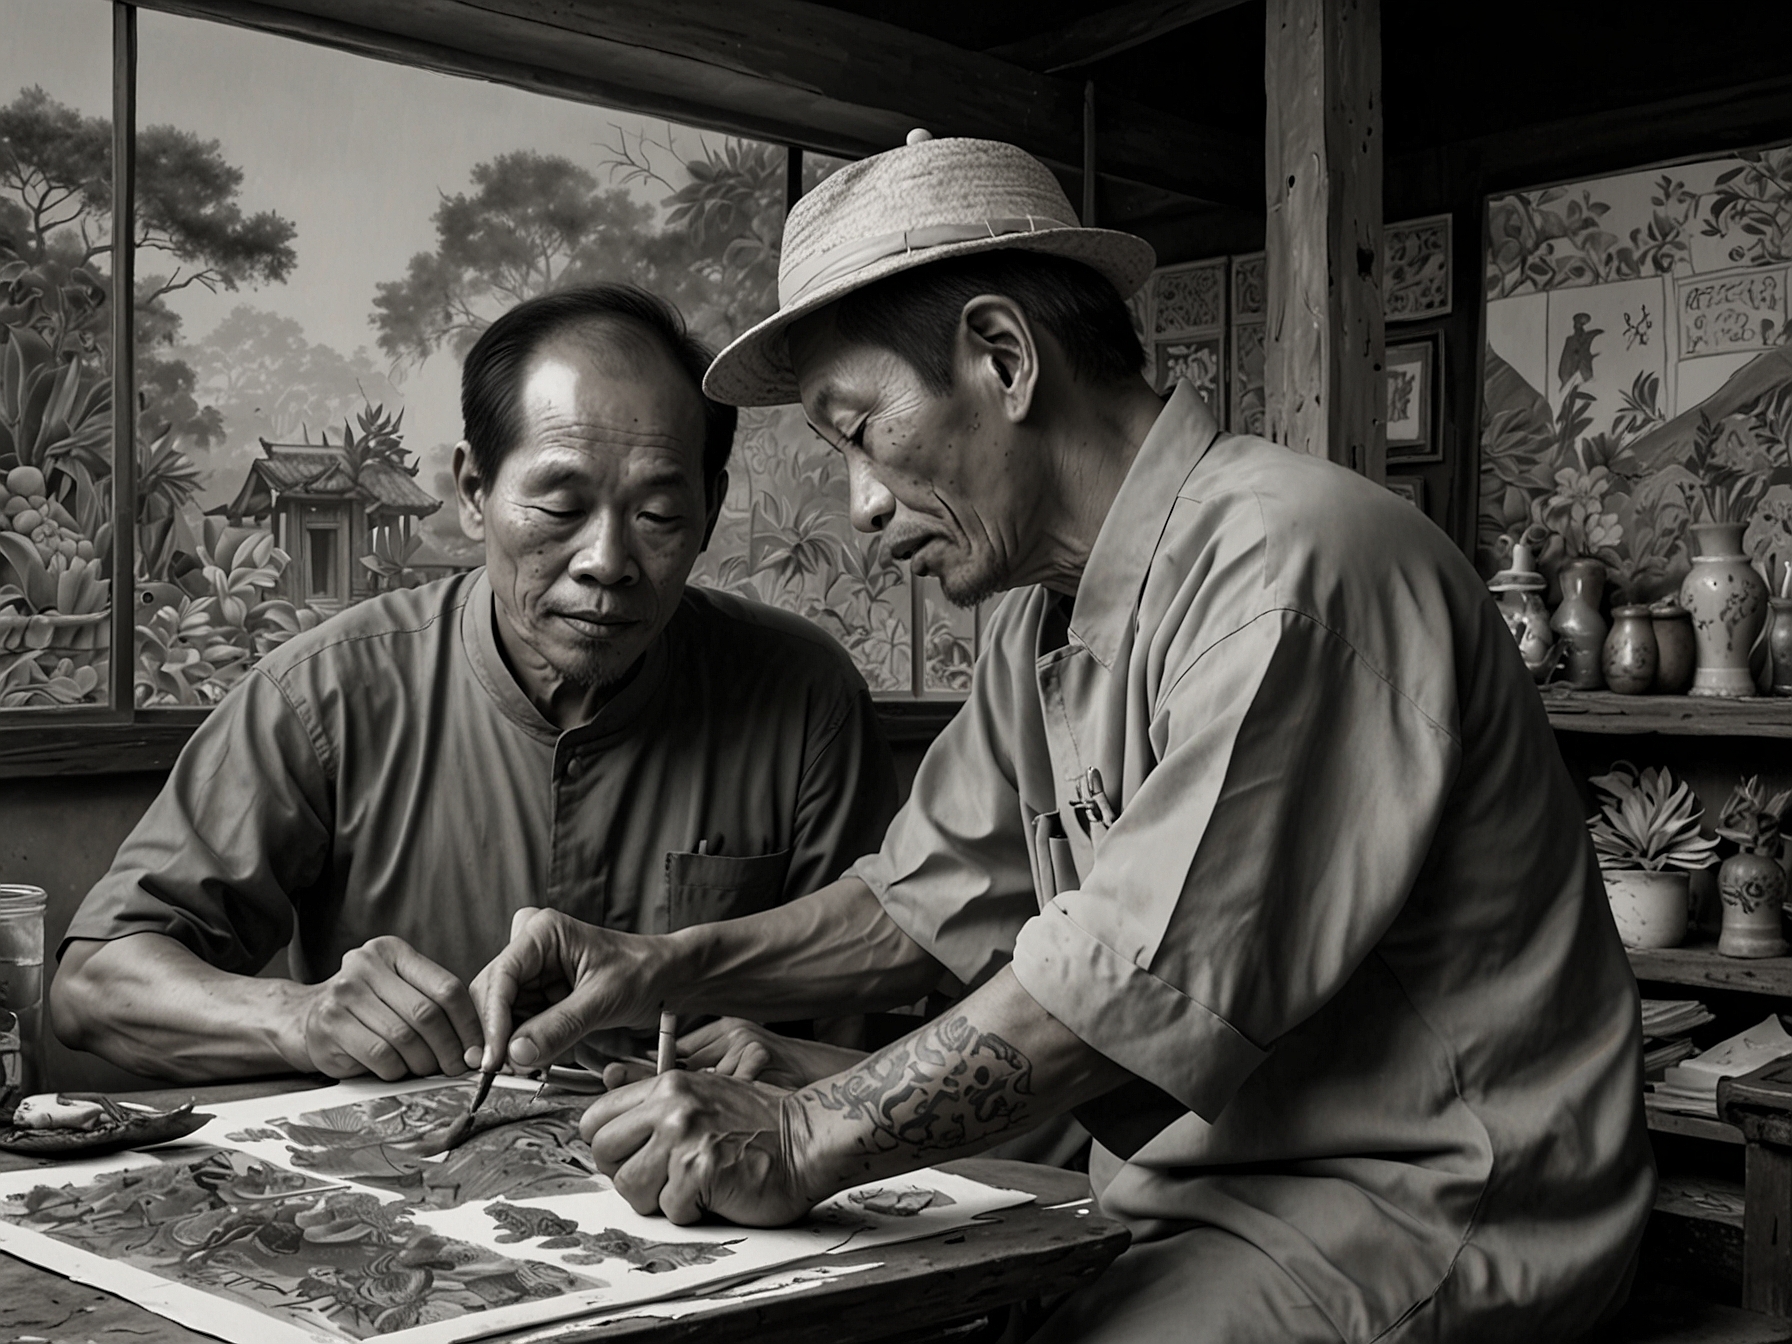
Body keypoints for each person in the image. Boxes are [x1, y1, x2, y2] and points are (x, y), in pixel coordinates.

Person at [467, 138, 1654, 1341]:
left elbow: (1115, 989)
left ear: (1003, 357)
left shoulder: (1292, 567)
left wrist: (798, 1134)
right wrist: (664, 962)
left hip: (1420, 1209)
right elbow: (916, 903)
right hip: (1178, 1197)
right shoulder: (1041, 611)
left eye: (859, 430)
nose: (861, 503)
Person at [51, 283, 897, 1086]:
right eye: (560, 508)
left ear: (709, 514)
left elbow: (877, 1019)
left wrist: (792, 1064)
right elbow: (95, 983)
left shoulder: (804, 699)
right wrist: (299, 1018)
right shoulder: (327, 696)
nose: (606, 563)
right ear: (472, 490)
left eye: (659, 517)